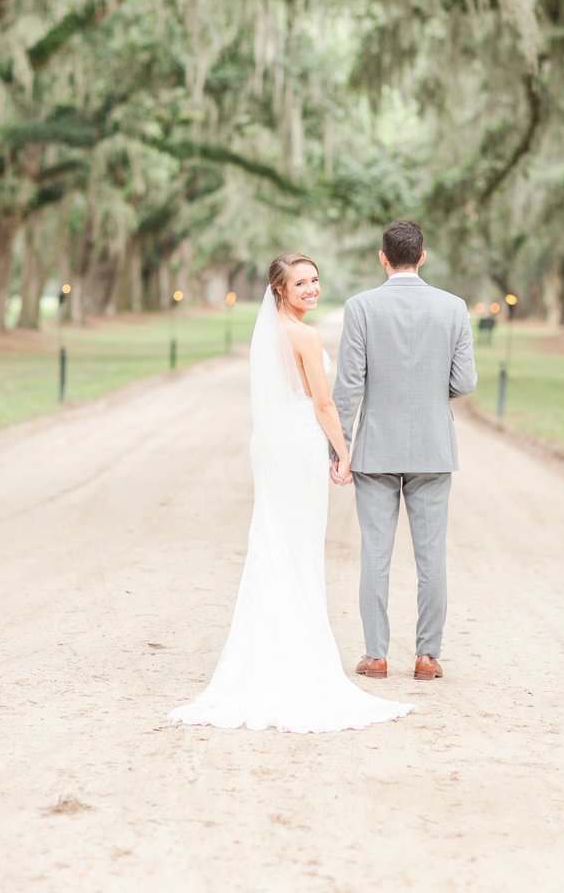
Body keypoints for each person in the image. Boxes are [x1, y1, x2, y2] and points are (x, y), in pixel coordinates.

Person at [169, 253, 411, 733]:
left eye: (316, 280)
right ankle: (298, 656)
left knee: (276, 540)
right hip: (299, 447)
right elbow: (322, 402)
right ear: (280, 289)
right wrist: (343, 452)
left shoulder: (269, 335)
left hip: (273, 448)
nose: (312, 288)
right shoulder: (304, 335)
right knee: (297, 548)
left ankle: (269, 649)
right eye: (301, 282)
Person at [331, 221, 477, 681]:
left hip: (375, 448)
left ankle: (376, 655)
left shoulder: (361, 308)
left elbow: (349, 385)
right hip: (433, 449)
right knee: (431, 557)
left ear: (383, 257)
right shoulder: (453, 308)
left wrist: (339, 448)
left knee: (375, 555)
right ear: (423, 256)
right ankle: (427, 656)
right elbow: (464, 382)